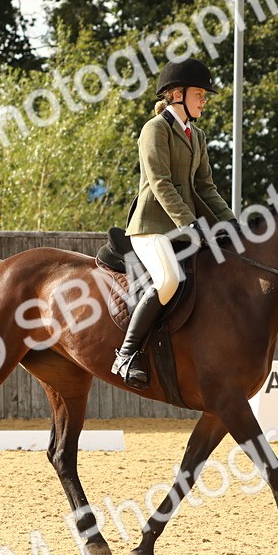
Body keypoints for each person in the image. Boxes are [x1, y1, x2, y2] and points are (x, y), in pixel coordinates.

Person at [111, 58, 239, 389]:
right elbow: (160, 183)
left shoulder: (196, 135)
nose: (204, 100)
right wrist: (189, 224)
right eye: (199, 94)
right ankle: (125, 355)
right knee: (168, 280)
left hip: (184, 228)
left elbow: (205, 188)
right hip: (151, 226)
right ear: (176, 94)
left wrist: (231, 223)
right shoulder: (154, 130)